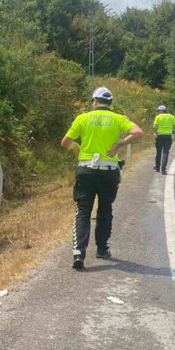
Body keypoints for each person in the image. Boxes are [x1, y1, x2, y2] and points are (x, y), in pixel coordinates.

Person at [61, 87, 145, 270]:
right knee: (105, 210)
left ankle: (78, 253)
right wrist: (120, 143)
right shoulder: (118, 118)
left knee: (83, 211)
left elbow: (65, 142)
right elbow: (138, 132)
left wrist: (76, 148)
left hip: (86, 171)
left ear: (94, 101)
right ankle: (102, 249)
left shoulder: (83, 118)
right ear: (110, 103)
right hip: (109, 172)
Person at [153, 105, 175, 175]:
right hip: (168, 136)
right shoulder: (172, 117)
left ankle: (157, 167)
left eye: (158, 111)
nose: (158, 112)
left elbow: (155, 126)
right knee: (165, 152)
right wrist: (173, 131)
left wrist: (155, 132)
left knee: (158, 152)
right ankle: (163, 169)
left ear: (160, 111)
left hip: (159, 135)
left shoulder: (158, 117)